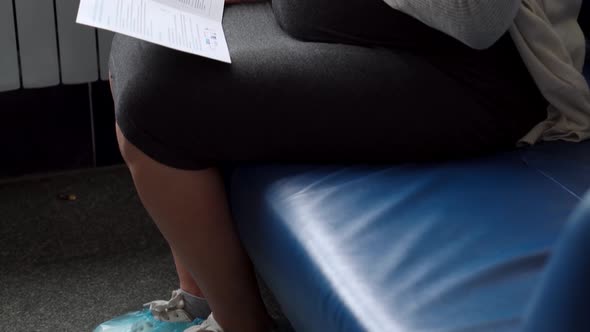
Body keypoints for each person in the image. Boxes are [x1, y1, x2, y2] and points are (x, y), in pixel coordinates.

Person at [101, 0, 590, 331]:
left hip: (469, 63)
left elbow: (472, 19)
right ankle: (198, 304)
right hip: (350, 19)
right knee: (146, 15)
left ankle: (242, 326)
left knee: (156, 100)